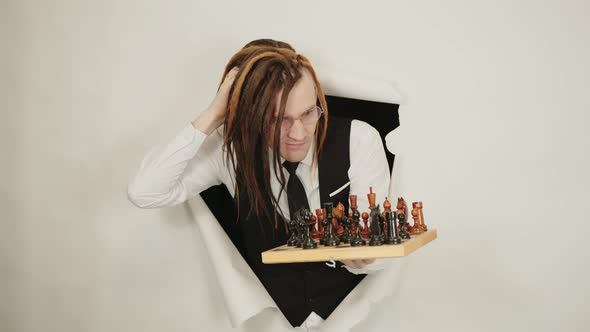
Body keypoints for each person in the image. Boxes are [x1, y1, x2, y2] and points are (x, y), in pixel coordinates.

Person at [127, 39, 392, 329]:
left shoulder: (359, 140)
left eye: (307, 113)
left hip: (360, 319)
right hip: (274, 322)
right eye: (279, 120)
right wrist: (215, 113)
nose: (299, 133)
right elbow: (145, 192)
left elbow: (379, 256)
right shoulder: (230, 153)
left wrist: (365, 257)